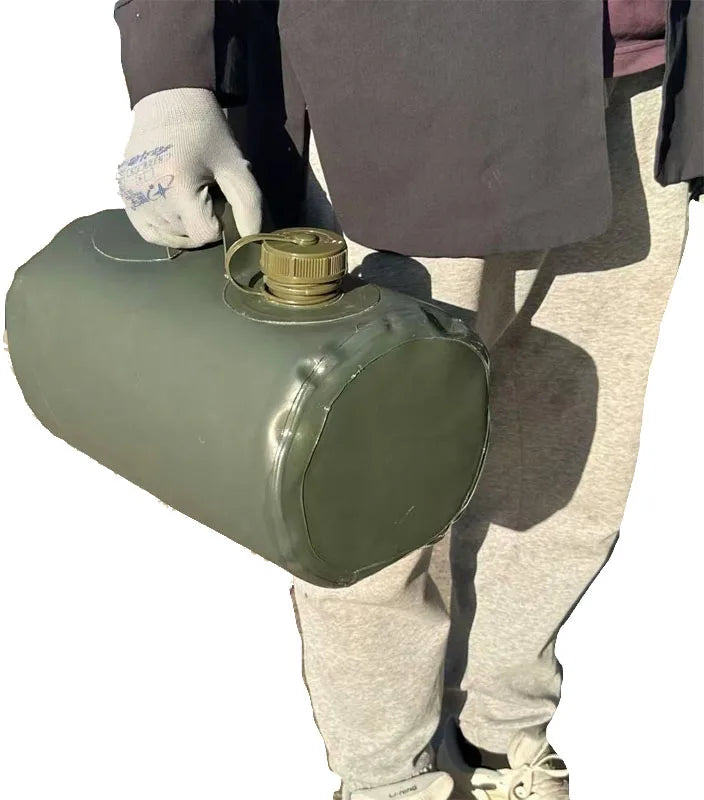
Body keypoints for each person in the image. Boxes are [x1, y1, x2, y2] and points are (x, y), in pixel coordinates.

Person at [113, 3, 702, 799]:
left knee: (565, 461)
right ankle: (390, 779)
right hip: (411, 86)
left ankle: (500, 735)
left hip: (649, 77)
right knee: (377, 489)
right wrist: (171, 74)